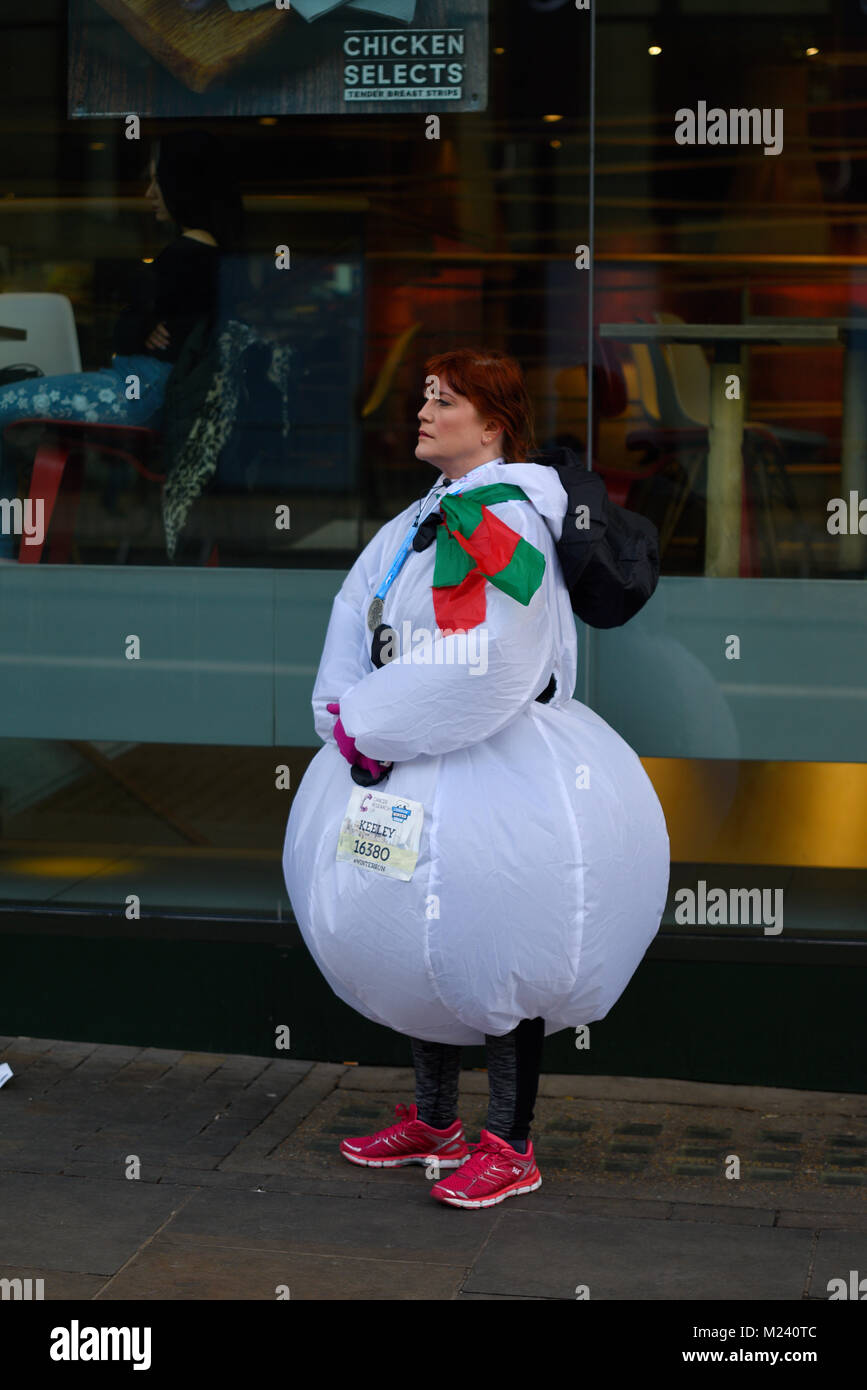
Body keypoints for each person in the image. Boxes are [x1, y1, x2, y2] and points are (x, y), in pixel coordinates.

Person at [282, 348, 670, 1210]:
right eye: (424, 396)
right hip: (402, 759)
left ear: (492, 425)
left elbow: (491, 655)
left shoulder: (494, 522)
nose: (422, 411)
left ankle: (510, 1140)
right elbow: (358, 617)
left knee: (502, 940)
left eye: (444, 400)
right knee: (408, 931)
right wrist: (345, 719)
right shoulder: (422, 519)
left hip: (494, 769)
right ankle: (433, 1119)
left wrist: (368, 723)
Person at [0, 130, 243, 558]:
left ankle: (6, 551)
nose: (149, 193)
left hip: (138, 390)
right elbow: (136, 323)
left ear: (181, 185)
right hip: (152, 391)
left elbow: (124, 327)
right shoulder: (222, 260)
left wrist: (134, 326)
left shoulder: (183, 259)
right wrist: (137, 325)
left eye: (157, 181)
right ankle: (19, 549)